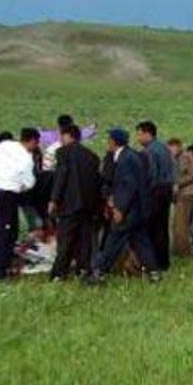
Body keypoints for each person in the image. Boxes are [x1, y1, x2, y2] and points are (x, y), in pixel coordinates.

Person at [90, 128, 159, 283]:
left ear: (113, 141)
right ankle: (154, 272)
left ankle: (99, 272)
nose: (107, 142)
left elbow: (127, 185)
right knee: (141, 241)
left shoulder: (125, 159)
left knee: (113, 240)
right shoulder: (132, 155)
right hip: (139, 208)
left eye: (109, 139)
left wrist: (119, 208)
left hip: (129, 209)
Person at [0, 128, 40, 279]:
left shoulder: (6, 145)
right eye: (36, 143)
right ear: (32, 141)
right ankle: (1, 269)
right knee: (6, 231)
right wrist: (17, 183)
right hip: (8, 195)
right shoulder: (26, 158)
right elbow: (29, 182)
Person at [48, 125, 102, 281]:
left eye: (62, 136)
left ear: (68, 136)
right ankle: (83, 269)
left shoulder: (63, 153)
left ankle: (59, 272)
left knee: (65, 239)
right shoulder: (91, 156)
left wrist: (54, 199)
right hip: (88, 205)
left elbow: (61, 176)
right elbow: (96, 181)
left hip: (69, 204)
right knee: (85, 239)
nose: (61, 140)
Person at [136, 121, 174, 270]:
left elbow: (150, 175)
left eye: (139, 134)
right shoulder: (164, 148)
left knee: (152, 227)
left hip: (155, 191)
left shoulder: (149, 151)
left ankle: (153, 261)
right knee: (162, 227)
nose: (138, 138)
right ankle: (164, 261)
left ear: (147, 133)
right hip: (166, 189)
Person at [168, 138, 193, 257]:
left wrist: (178, 183)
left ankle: (183, 252)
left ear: (179, 146)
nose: (170, 150)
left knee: (181, 225)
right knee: (177, 224)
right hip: (180, 195)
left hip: (186, 194)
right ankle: (178, 249)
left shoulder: (185, 157)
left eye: (172, 147)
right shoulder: (175, 159)